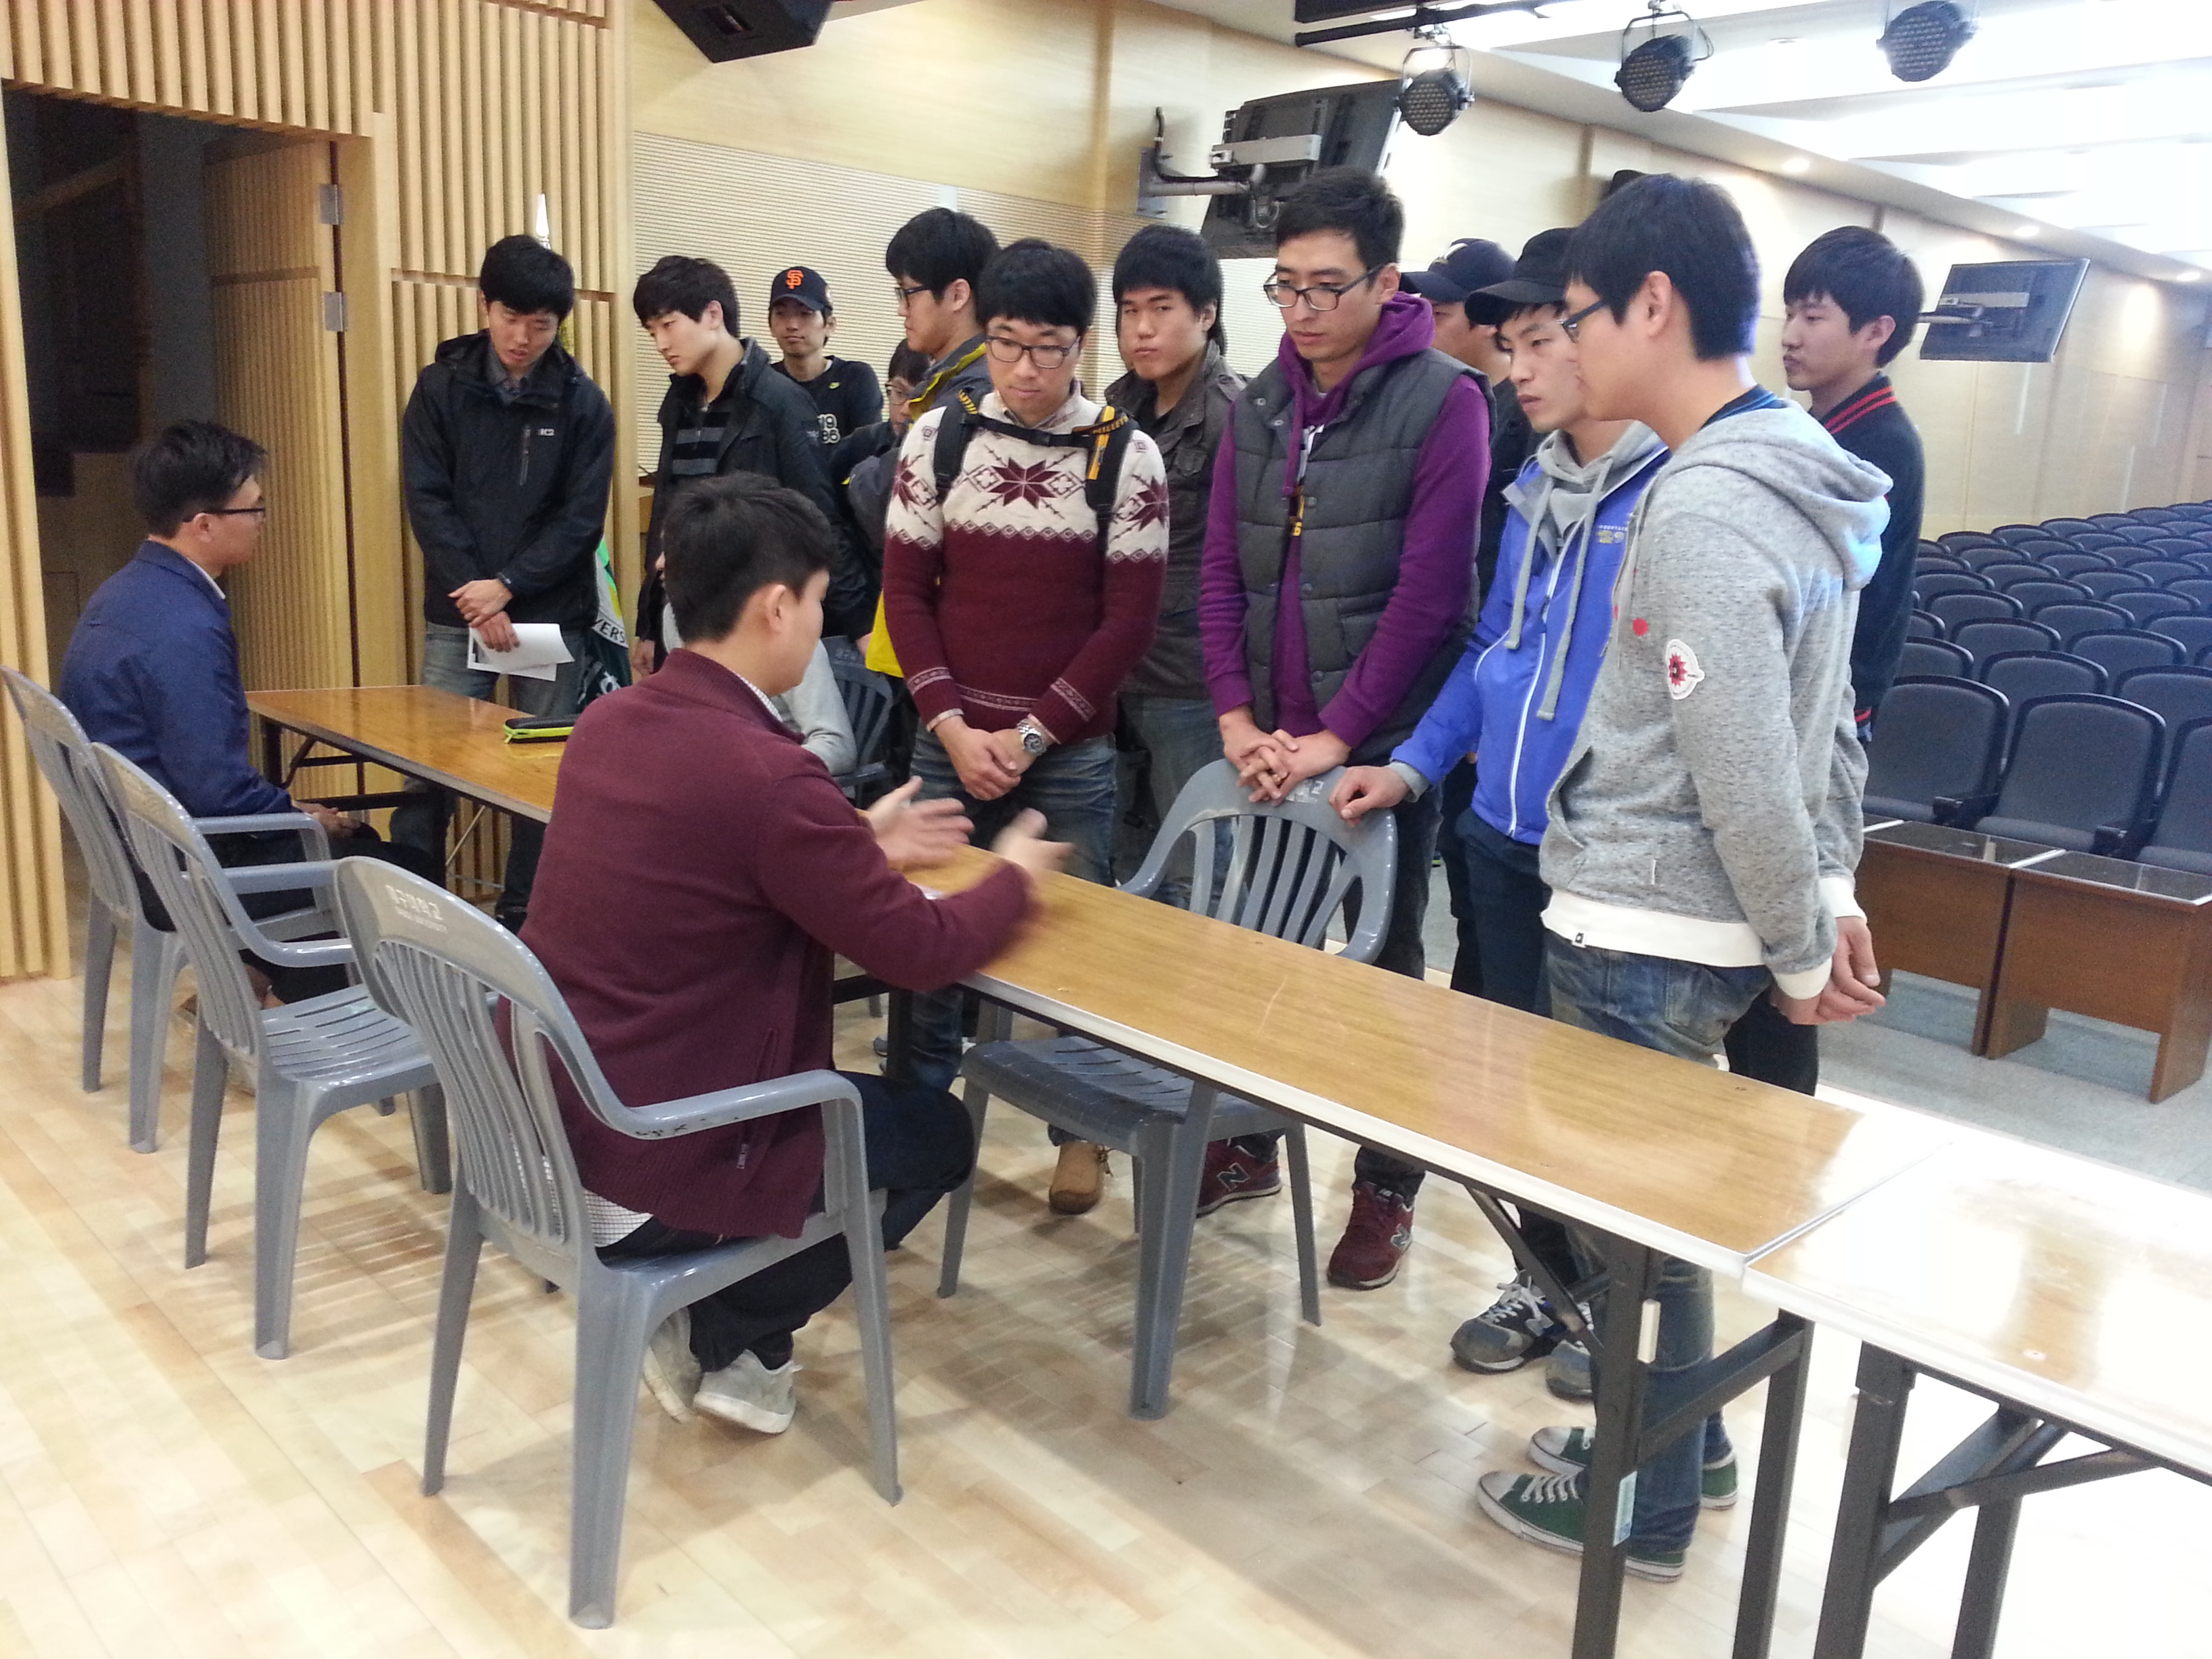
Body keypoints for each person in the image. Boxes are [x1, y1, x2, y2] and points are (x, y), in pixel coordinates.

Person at [1471, 173, 1887, 1582]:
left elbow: (1748, 760)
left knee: (1626, 1241)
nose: (1564, 345)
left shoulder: (1704, 502)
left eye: (1578, 315)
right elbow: (1828, 727)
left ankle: (1640, 1510)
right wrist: (1827, 894)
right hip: (1694, 916)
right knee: (1655, 1224)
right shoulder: (1791, 466)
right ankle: (1684, 1450)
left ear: (1652, 305)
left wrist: (1801, 946)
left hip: (1646, 921)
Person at [521, 471, 1067, 1433]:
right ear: (777, 607)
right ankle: (732, 1324)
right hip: (660, 1158)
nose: (820, 629)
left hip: (560, 1121)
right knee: (937, 1134)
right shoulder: (770, 772)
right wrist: (1014, 878)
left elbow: (717, 856)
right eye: (817, 604)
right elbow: (920, 951)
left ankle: (733, 1334)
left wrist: (854, 840)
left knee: (874, 1115)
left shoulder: (610, 722)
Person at [1329, 226, 1668, 1388]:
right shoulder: (1535, 486)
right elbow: (1491, 649)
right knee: (1520, 1092)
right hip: (1502, 839)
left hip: (1608, 859)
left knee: (1605, 1106)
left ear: (1603, 336)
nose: (1514, 368)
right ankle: (1548, 1281)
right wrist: (1416, 765)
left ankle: (1622, 1321)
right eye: (1509, 344)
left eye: (1536, 342)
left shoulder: (1675, 491)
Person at [1193, 167, 1490, 1291]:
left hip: (1377, 747)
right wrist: (1236, 715)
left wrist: (1340, 734)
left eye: (1326, 286)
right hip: (1267, 735)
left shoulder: (1445, 400)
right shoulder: (1261, 400)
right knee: (1261, 946)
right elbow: (1219, 570)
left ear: (1385, 282)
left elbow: (1430, 599)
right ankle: (1249, 1140)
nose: (1302, 309)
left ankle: (1386, 1184)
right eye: (1285, 286)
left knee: (1384, 971)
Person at [880, 237, 1168, 1212]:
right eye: (1007, 343)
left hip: (1069, 755)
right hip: (949, 743)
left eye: (1050, 348)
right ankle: (917, 1142)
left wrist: (1033, 735)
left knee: (1078, 956)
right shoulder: (939, 438)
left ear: (1084, 345)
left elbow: (1128, 624)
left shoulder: (1128, 456)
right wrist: (953, 727)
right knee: (926, 952)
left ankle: (1083, 1136)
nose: (1027, 369)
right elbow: (906, 594)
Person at [61, 422, 442, 1003]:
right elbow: (215, 789)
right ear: (204, 524)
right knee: (398, 868)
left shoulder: (124, 592)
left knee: (350, 838)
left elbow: (206, 778)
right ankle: (336, 1025)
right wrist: (303, 816)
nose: (263, 520)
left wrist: (291, 810)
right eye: (254, 509)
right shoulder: (184, 626)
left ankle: (248, 987)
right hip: (183, 866)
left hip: (140, 850)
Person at [1721, 229, 1929, 1099]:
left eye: (1815, 316)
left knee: (1789, 950)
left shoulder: (1877, 442)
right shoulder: (1817, 428)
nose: (1794, 334)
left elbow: (1848, 619)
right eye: (1791, 313)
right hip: (1801, 707)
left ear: (1877, 332)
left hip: (1820, 718)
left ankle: (1778, 1132)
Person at [394, 235, 615, 928]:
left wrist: (508, 586)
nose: (523, 338)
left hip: (546, 615)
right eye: (510, 318)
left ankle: (527, 919)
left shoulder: (583, 404)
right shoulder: (441, 389)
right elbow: (427, 499)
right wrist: (477, 592)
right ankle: (411, 910)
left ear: (559, 324)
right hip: (459, 612)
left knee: (540, 773)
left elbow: (581, 520)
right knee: (427, 766)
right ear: (484, 306)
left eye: (540, 325)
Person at [1402, 234, 1543, 1001]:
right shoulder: (1468, 408)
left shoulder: (1525, 427)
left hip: (1515, 743)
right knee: (1476, 913)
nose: (1427, 321)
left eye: (1445, 309)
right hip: (1473, 694)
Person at [1104, 224, 1244, 916]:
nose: (1142, 328)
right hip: (1117, 671)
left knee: (1202, 875)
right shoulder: (1114, 407)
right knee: (1131, 874)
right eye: (1129, 311)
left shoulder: (1236, 415)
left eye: (1161, 308)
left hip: (1192, 681)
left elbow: (1249, 563)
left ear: (1206, 313)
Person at [630, 254, 863, 661]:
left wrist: (859, 624)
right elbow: (666, 513)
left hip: (751, 619)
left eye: (668, 325)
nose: (661, 344)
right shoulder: (679, 402)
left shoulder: (778, 401)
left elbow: (819, 519)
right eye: (653, 332)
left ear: (713, 315)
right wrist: (648, 624)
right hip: (683, 614)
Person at [847, 207, 1001, 676]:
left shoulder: (976, 390)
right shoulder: (950, 380)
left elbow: (886, 499)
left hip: (951, 640)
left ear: (957, 294)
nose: (901, 309)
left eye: (907, 292)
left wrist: (857, 474)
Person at [766, 264, 884, 450]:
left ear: (829, 325)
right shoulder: (764, 382)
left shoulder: (856, 378)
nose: (792, 325)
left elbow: (869, 453)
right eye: (781, 314)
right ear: (770, 325)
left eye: (805, 314)